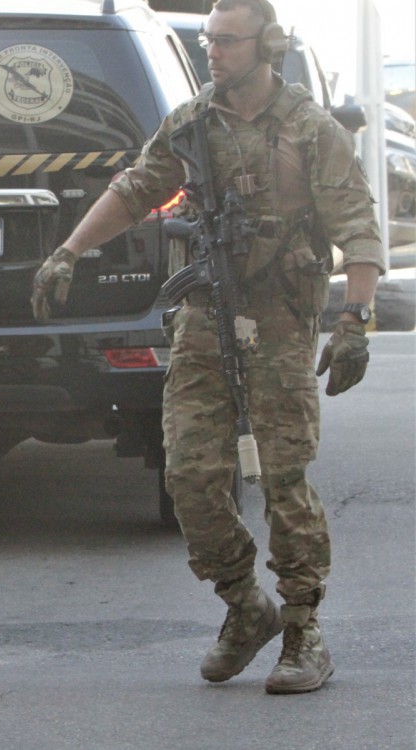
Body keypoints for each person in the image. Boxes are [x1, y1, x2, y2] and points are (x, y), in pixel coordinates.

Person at [30, 0, 385, 695]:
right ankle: (244, 606)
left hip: (281, 321)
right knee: (191, 472)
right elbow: (137, 188)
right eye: (212, 41)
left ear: (268, 46)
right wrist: (69, 251)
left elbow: (359, 229)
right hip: (206, 314)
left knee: (283, 477)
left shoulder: (309, 130)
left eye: (228, 41)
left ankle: (304, 628)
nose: (214, 52)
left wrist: (355, 320)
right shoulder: (193, 122)